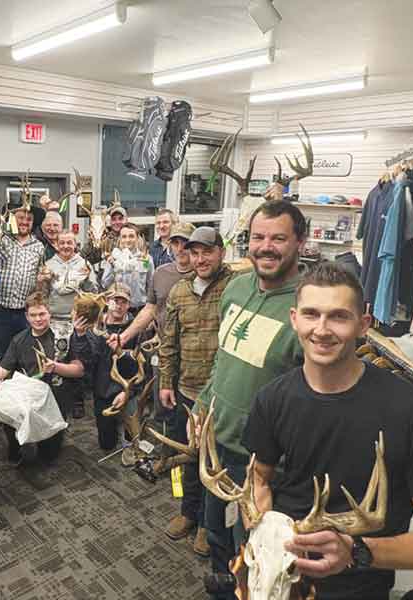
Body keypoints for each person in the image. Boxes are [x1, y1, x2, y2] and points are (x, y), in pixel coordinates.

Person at [241, 262, 413, 599]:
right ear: (294, 319)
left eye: (338, 316)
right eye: (311, 314)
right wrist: (263, 537)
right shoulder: (272, 398)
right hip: (277, 579)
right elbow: (258, 479)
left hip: (356, 585)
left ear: (363, 325)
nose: (321, 329)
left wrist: (357, 552)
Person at [196, 200, 308, 598]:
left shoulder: (309, 306)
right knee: (216, 536)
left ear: (300, 241)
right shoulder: (237, 287)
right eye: (258, 237)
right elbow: (223, 356)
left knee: (258, 553)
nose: (266, 247)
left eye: (279, 238)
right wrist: (205, 400)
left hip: (261, 463)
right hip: (216, 446)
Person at [156, 226, 234, 558]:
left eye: (207, 252)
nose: (200, 259)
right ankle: (189, 513)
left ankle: (207, 523)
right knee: (189, 457)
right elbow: (169, 342)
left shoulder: (236, 287)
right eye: (195, 252)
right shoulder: (180, 291)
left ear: (221, 252)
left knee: (215, 463)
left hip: (222, 396)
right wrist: (165, 382)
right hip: (186, 392)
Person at [0, 292, 85, 462]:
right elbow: (2, 369)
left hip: (56, 399)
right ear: (26, 317)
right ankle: (16, 446)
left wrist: (56, 367)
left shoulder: (64, 335)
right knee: (7, 411)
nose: (38, 319)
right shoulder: (19, 340)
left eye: (42, 314)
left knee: (48, 456)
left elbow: (78, 370)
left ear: (50, 313)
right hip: (29, 396)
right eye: (33, 315)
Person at [71, 283, 137, 451]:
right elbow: (87, 361)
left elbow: (143, 370)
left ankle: (129, 433)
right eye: (115, 300)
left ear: (129, 305)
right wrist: (79, 336)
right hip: (103, 391)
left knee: (133, 439)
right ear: (107, 302)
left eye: (123, 301)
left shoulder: (136, 329)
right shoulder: (94, 328)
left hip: (129, 389)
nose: (119, 305)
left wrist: (127, 392)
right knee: (106, 445)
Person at [0, 202, 46, 360]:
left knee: (23, 354)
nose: (25, 222)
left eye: (29, 219)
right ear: (12, 218)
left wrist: (42, 280)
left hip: (24, 313)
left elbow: (39, 276)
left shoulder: (38, 246)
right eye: (20, 217)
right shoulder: (0, 238)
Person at [40, 230, 97, 322]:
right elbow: (43, 294)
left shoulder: (84, 265)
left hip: (78, 318)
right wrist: (41, 281)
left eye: (69, 243)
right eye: (62, 243)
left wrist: (87, 279)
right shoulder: (49, 265)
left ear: (75, 245)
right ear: (57, 245)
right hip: (53, 318)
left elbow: (93, 293)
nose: (65, 246)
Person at [100, 223, 154, 312]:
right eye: (124, 237)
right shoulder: (114, 257)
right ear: (120, 239)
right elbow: (105, 284)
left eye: (131, 236)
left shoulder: (146, 259)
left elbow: (151, 286)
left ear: (137, 238)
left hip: (139, 309)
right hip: (117, 309)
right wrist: (112, 266)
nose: (127, 240)